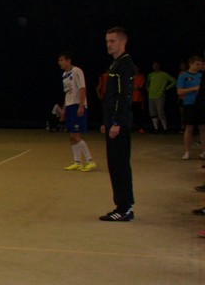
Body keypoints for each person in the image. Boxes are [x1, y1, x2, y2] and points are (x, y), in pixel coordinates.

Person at [99, 27, 137, 221]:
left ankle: (124, 208)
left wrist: (116, 122)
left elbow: (123, 97)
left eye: (112, 41)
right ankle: (122, 205)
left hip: (119, 123)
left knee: (120, 164)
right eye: (107, 41)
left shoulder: (124, 65)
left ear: (123, 42)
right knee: (114, 164)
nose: (108, 44)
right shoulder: (115, 64)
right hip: (112, 122)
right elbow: (110, 97)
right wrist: (106, 121)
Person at [57, 53, 96, 171]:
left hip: (76, 105)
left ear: (68, 60)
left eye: (61, 60)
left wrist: (81, 106)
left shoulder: (77, 71)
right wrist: (64, 109)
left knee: (76, 135)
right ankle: (77, 161)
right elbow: (67, 93)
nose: (59, 63)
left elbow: (82, 89)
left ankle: (90, 160)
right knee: (71, 136)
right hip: (69, 106)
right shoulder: (64, 75)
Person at [177, 56, 204, 160]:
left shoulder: (201, 76)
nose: (199, 66)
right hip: (189, 103)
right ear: (191, 64)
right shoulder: (183, 76)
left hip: (201, 104)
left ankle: (204, 151)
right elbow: (179, 91)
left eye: (200, 64)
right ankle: (187, 151)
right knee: (189, 128)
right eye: (197, 64)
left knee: (203, 128)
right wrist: (194, 89)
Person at [145, 61, 176, 133]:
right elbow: (147, 83)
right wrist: (148, 89)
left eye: (156, 65)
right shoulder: (150, 75)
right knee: (153, 113)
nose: (155, 67)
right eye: (154, 65)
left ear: (159, 66)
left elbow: (174, 81)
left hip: (160, 95)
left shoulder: (164, 74)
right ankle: (156, 128)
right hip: (151, 96)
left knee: (160, 112)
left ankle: (165, 128)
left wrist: (166, 88)